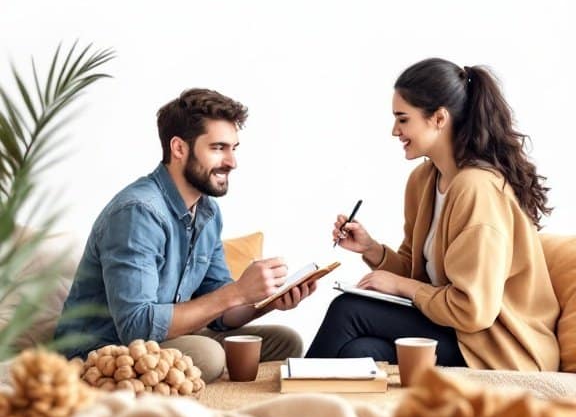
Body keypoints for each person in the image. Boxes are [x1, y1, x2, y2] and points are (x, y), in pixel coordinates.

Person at [307, 58, 560, 371]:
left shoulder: (477, 189)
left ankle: (290, 396)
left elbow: (473, 310)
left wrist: (400, 286)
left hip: (499, 347)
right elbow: (419, 276)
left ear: (439, 118)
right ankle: (313, 399)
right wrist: (371, 249)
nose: (395, 131)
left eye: (403, 119)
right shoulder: (424, 180)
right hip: (453, 330)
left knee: (348, 309)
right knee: (358, 351)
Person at [55, 88, 314, 381]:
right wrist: (237, 292)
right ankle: (194, 375)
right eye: (218, 148)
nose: (232, 162)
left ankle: (192, 374)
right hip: (105, 352)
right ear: (179, 148)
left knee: (286, 341)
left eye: (233, 148)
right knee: (209, 354)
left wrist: (264, 301)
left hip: (165, 341)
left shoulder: (208, 212)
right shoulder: (138, 212)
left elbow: (220, 311)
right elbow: (136, 326)